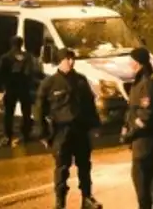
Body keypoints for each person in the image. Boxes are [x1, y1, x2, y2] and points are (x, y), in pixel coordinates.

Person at [34, 48, 102, 209]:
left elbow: (90, 104)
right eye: (67, 59)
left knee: (84, 165)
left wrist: (95, 125)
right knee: (62, 168)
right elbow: (39, 110)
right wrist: (43, 134)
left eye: (72, 59)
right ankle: (60, 202)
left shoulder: (80, 80)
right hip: (61, 131)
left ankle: (87, 198)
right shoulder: (49, 83)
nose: (71, 62)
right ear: (60, 61)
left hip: (80, 129)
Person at [122, 47, 153, 209]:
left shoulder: (147, 83)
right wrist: (126, 126)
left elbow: (145, 115)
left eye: (132, 60)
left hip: (145, 138)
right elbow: (133, 109)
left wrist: (131, 132)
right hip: (142, 138)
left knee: (140, 176)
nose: (129, 63)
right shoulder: (140, 80)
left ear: (139, 62)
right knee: (151, 172)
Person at [0, 36, 38, 147]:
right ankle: (26, 134)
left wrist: (4, 86)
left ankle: (7, 136)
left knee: (8, 113)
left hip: (11, 87)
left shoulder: (6, 57)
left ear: (11, 44)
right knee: (26, 112)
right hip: (24, 87)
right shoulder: (28, 56)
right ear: (22, 44)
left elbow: (1, 73)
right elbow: (31, 72)